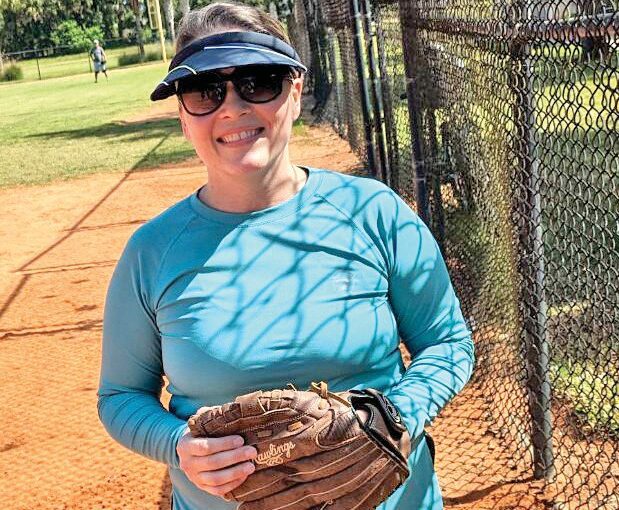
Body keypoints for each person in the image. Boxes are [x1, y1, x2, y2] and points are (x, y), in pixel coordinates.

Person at [97, 2, 475, 510]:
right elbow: (120, 396)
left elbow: (448, 342)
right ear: (183, 117)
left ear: (295, 91)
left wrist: (396, 418)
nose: (232, 107)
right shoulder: (152, 252)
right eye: (204, 91)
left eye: (259, 81)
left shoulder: (374, 213)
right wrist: (178, 446)